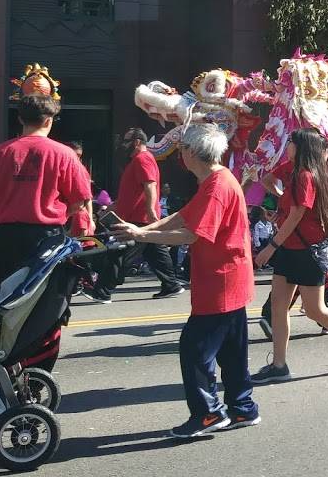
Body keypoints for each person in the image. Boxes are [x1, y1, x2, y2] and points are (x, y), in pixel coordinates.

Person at [112, 124, 259, 438]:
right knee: (231, 352)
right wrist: (143, 229)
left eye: (182, 148)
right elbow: (182, 216)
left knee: (194, 349)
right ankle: (242, 408)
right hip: (230, 277)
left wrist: (142, 235)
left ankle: (208, 414)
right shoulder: (216, 179)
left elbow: (191, 234)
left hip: (220, 281)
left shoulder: (216, 186)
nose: (180, 153)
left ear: (192, 152)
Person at [252, 128, 328, 384]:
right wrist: (282, 205)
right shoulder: (294, 170)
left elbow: (297, 215)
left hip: (306, 251)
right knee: (278, 307)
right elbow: (278, 194)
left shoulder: (305, 175)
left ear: (302, 147)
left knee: (315, 310)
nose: (287, 146)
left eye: (291, 142)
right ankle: (279, 365)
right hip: (289, 248)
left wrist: (271, 245)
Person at [0, 95, 91, 284]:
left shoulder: (1, 152)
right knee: (45, 292)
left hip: (4, 236)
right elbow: (79, 202)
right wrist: (62, 215)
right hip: (47, 237)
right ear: (49, 121)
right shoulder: (65, 154)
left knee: (4, 293)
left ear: (20, 119)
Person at [114, 127, 183, 298]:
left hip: (140, 218)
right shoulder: (138, 160)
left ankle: (103, 289)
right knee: (156, 252)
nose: (123, 144)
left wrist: (151, 212)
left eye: (127, 141)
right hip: (139, 216)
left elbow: (150, 184)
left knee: (121, 253)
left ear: (137, 142)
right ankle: (171, 285)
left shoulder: (142, 159)